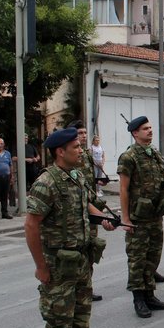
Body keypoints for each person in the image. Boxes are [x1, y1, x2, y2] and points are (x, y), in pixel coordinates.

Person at [24, 128, 115, 328]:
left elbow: (87, 206)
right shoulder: (46, 182)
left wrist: (106, 219)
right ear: (60, 152)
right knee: (58, 321)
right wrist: (41, 266)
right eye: (75, 146)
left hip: (81, 261)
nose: (81, 149)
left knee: (81, 317)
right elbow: (31, 225)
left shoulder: (76, 177)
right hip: (58, 265)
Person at [117, 116, 164, 318]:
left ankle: (150, 294)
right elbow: (124, 189)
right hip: (138, 217)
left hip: (154, 215)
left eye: (150, 127)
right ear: (135, 133)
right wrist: (125, 218)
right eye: (145, 129)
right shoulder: (129, 157)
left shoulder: (155, 154)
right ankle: (139, 299)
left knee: (153, 257)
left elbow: (158, 180)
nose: (150, 131)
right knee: (137, 259)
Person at [67, 120, 106, 302]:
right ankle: (75, 289)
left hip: (90, 207)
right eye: (79, 133)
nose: (83, 136)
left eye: (84, 133)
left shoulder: (88, 154)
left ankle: (87, 287)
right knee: (78, 251)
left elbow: (90, 178)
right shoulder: (69, 157)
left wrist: (100, 182)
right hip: (77, 210)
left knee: (91, 248)